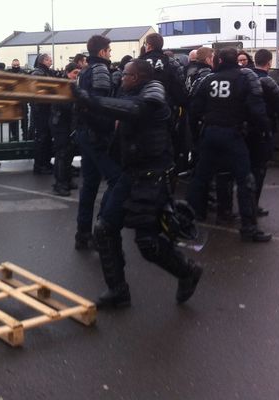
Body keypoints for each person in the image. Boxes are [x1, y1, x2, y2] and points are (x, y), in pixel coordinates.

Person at [72, 59, 203, 308]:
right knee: (105, 229)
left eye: (126, 74)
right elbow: (110, 122)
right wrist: (85, 111)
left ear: (139, 76)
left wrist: (90, 100)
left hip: (152, 177)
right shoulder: (128, 94)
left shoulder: (153, 94)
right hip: (130, 174)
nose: (121, 77)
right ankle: (118, 291)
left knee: (148, 243)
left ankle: (187, 271)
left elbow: (136, 110)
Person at [186, 48, 272, 242]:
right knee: (245, 180)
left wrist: (198, 134)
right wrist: (264, 129)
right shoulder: (243, 79)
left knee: (200, 178)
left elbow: (194, 109)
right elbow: (256, 110)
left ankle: (188, 218)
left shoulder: (208, 80)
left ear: (219, 60)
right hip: (232, 134)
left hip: (210, 133)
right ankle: (249, 228)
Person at [74, 35, 121, 250]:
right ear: (102, 52)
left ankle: (83, 234)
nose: (110, 54)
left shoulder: (84, 71)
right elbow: (99, 105)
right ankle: (103, 228)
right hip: (97, 135)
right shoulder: (101, 70)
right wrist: (106, 131)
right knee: (117, 180)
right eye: (109, 50)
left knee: (90, 185)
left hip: (85, 133)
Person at [139, 33, 187, 176]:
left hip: (140, 113)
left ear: (148, 45)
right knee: (165, 150)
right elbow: (180, 91)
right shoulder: (171, 63)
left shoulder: (137, 64)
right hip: (164, 114)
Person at [249, 49, 279, 216]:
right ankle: (253, 207)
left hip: (244, 130)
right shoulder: (268, 81)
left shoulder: (245, 79)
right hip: (263, 130)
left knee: (246, 169)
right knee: (259, 170)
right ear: (269, 62)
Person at [50, 63, 80, 196]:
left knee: (68, 153)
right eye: (74, 73)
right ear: (67, 72)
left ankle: (66, 180)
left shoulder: (69, 85)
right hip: (61, 124)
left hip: (65, 123)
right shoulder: (63, 85)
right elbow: (64, 105)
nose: (76, 76)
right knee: (62, 154)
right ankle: (60, 183)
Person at [31, 53, 55, 175]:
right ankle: (40, 165)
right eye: (49, 59)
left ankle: (45, 162)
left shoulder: (44, 72)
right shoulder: (38, 73)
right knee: (42, 138)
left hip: (45, 110)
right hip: (41, 111)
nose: (51, 61)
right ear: (44, 61)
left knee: (46, 138)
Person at [7, 59, 29, 142]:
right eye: (14, 65)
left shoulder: (24, 73)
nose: (16, 67)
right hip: (12, 101)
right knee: (13, 121)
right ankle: (15, 136)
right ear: (11, 65)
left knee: (24, 120)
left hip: (22, 100)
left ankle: (25, 136)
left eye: (17, 65)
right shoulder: (8, 74)